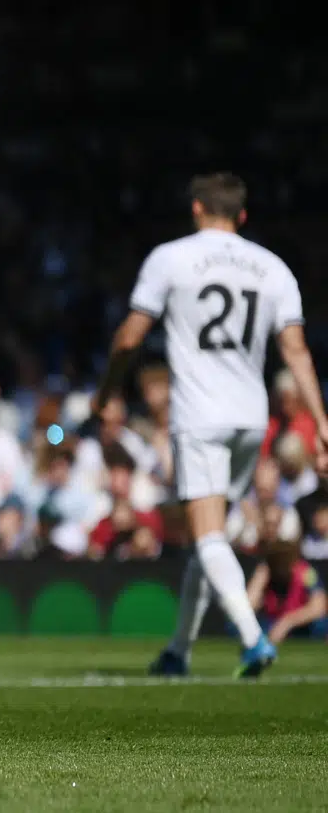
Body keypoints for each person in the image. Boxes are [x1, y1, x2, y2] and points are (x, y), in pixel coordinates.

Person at [93, 171, 328, 678]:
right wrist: (320, 417)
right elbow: (296, 351)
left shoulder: (171, 258)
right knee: (212, 534)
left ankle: (252, 638)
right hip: (250, 417)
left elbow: (131, 337)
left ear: (197, 209)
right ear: (242, 216)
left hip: (200, 415)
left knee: (207, 536)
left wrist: (109, 390)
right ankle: (179, 650)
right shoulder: (273, 268)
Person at [247, 538, 328, 644]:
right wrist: (260, 576)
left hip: (301, 625)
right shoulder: (267, 573)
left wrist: (287, 622)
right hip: (272, 623)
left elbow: (318, 607)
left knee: (320, 624)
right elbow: (248, 606)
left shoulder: (306, 572)